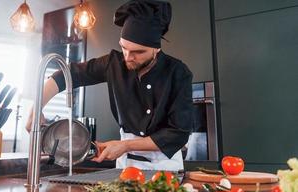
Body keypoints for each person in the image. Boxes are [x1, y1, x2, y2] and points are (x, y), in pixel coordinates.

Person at [26, 0, 193, 171]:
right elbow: (65, 75)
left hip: (165, 165)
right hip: (126, 164)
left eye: (138, 52)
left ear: (156, 49)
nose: (128, 57)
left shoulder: (178, 73)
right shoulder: (113, 63)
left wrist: (126, 145)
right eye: (124, 48)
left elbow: (178, 133)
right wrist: (36, 109)